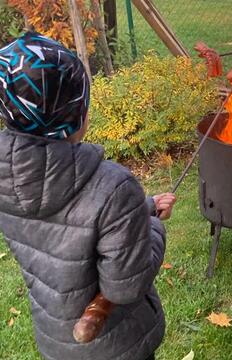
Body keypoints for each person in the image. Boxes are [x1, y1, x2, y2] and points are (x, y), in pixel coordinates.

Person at [0, 33, 177, 360]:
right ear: (75, 114)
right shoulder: (113, 187)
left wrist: (144, 208)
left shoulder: (7, 177)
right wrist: (152, 226)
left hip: (57, 341)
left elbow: (68, 228)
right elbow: (125, 285)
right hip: (117, 342)